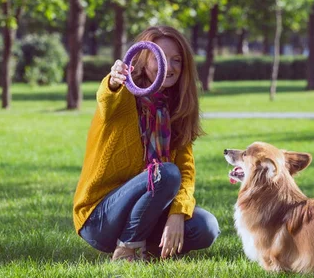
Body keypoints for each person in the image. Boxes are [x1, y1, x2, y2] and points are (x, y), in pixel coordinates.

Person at [73, 26, 219, 261]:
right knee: (166, 173)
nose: (169, 67)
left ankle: (146, 247)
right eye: (159, 57)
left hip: (146, 213)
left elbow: (186, 171)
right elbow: (106, 98)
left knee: (206, 226)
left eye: (176, 60)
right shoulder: (122, 94)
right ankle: (127, 248)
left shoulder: (177, 110)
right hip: (100, 217)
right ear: (142, 57)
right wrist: (113, 80)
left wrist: (177, 213)